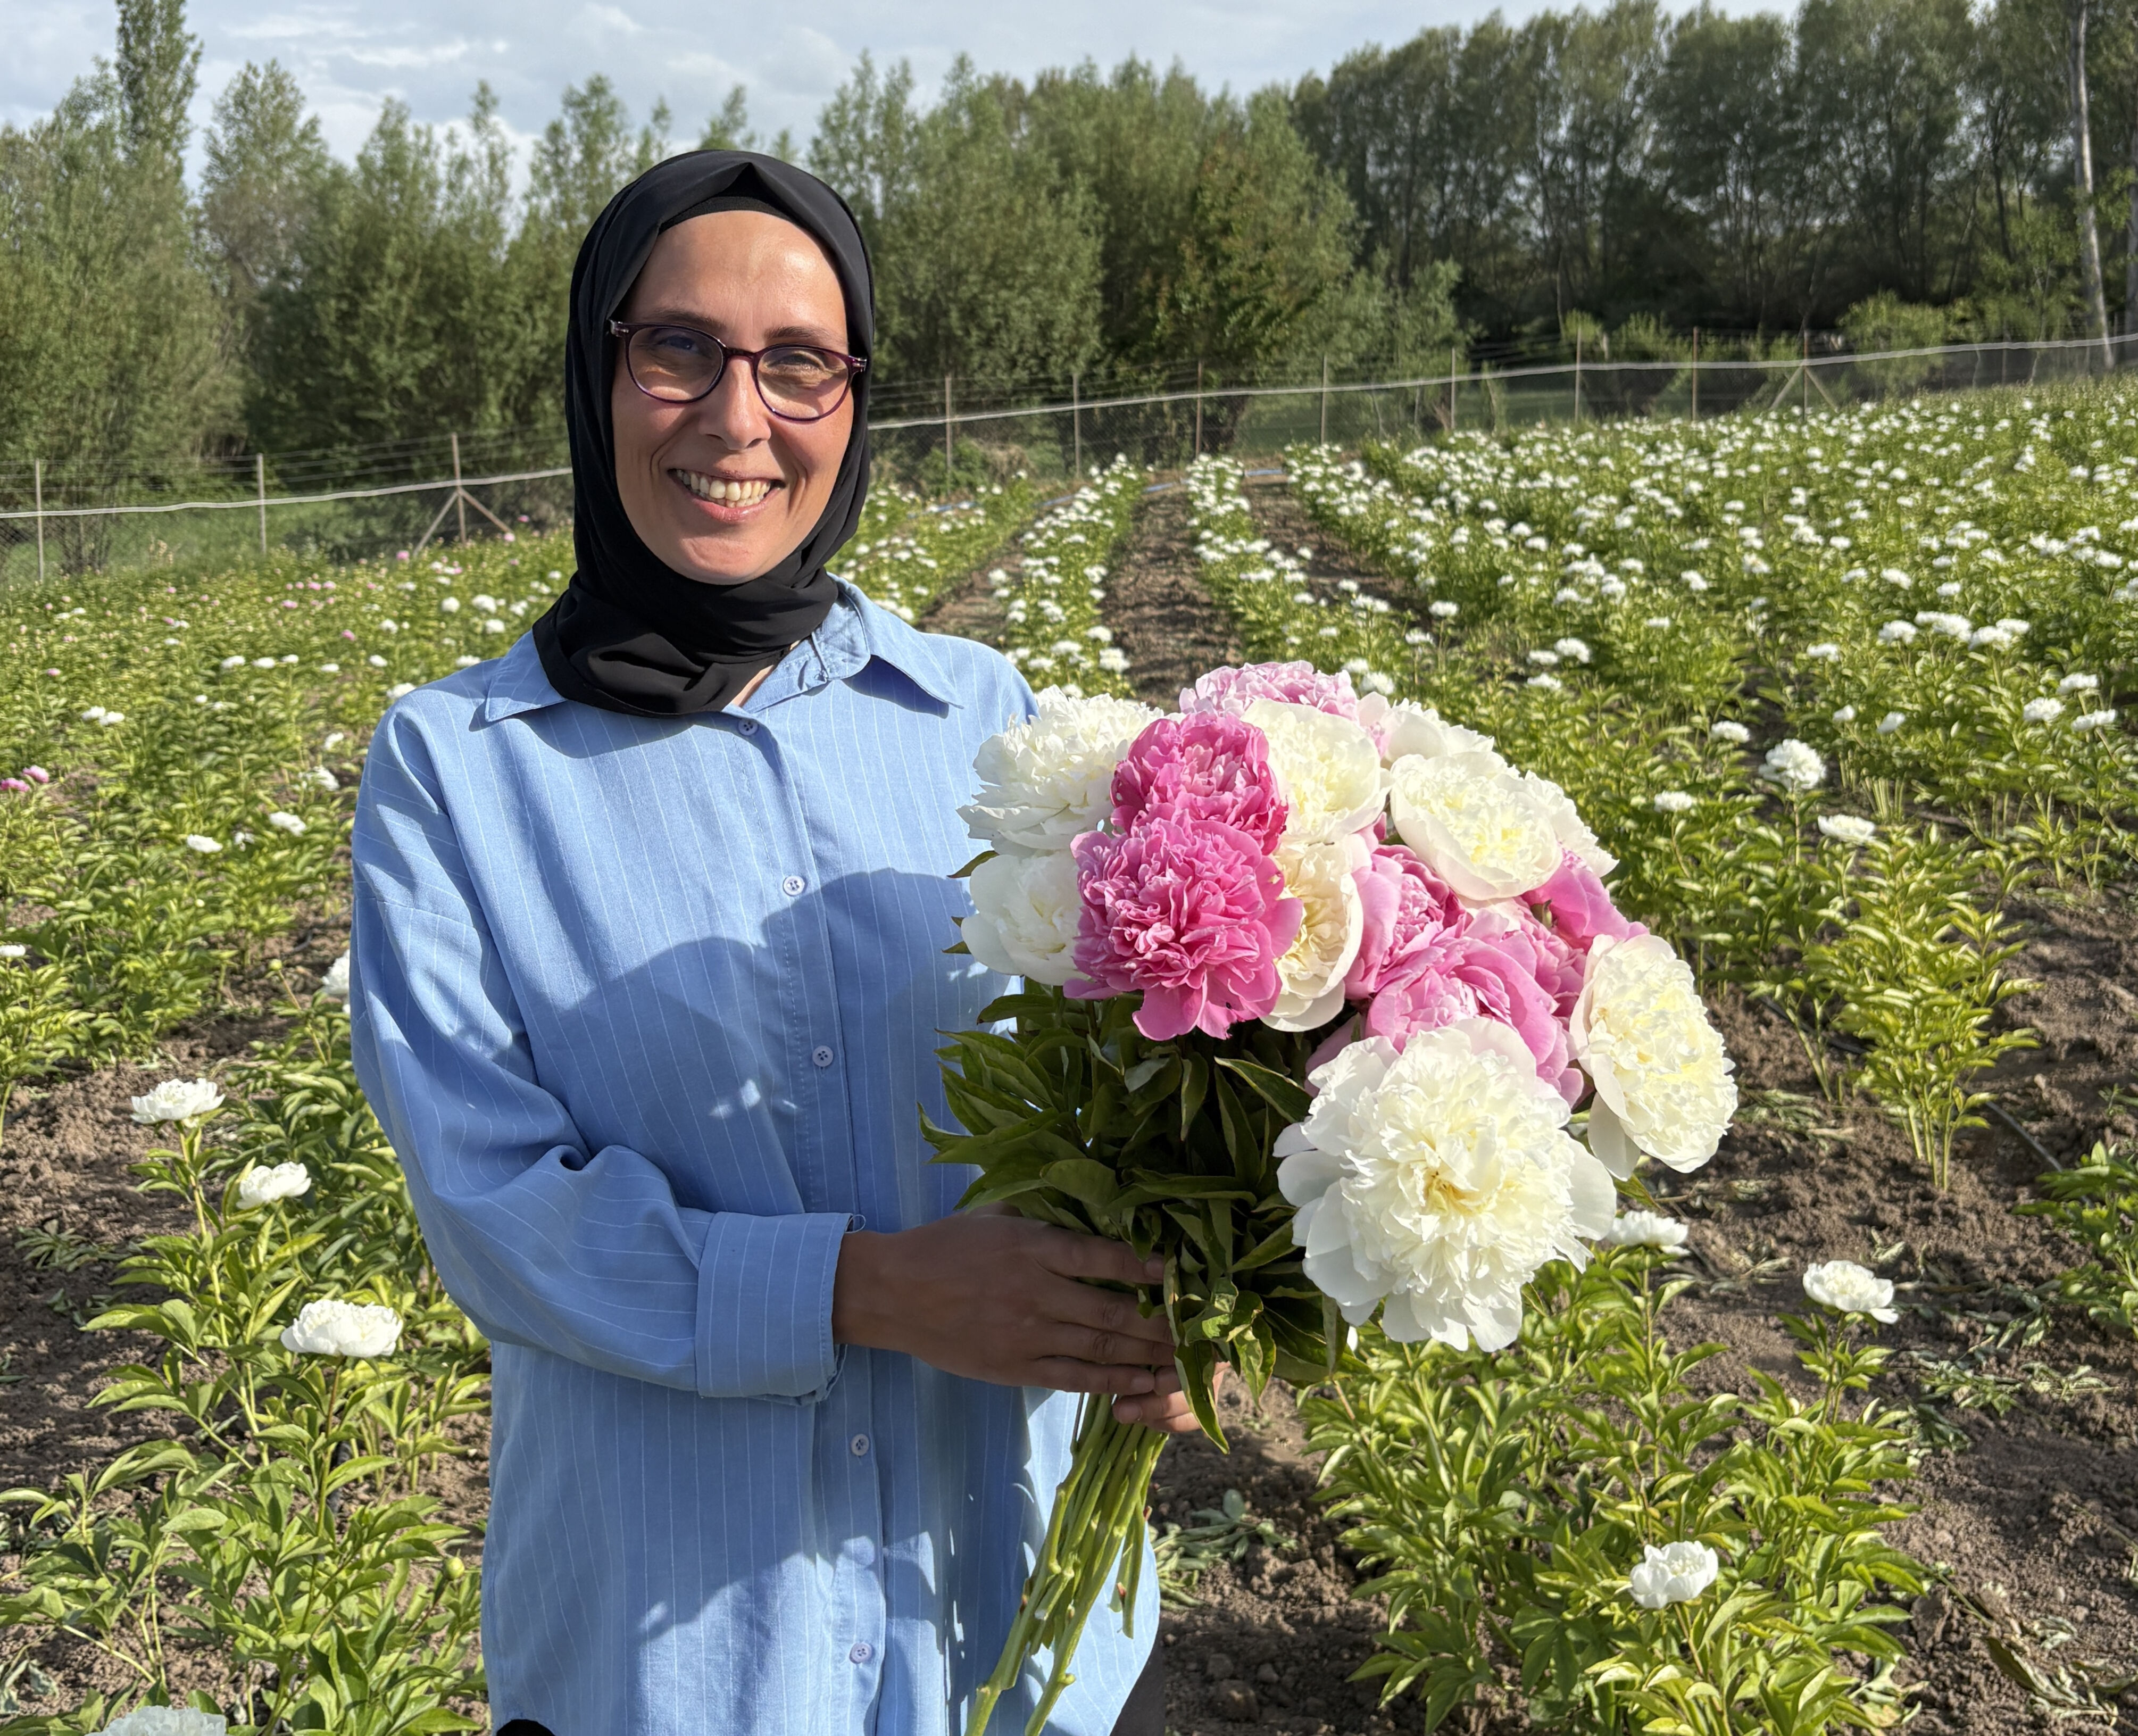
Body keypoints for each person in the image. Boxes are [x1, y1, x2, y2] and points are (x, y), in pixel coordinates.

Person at [347, 151, 1191, 1736]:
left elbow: (1114, 1098)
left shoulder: (986, 721)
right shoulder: (458, 768)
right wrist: (869, 1291)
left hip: (1014, 1636)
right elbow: (496, 1213)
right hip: (676, 1668)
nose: (740, 418)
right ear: (597, 371)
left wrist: (1177, 1294)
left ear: (854, 401)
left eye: (800, 363)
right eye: (679, 347)